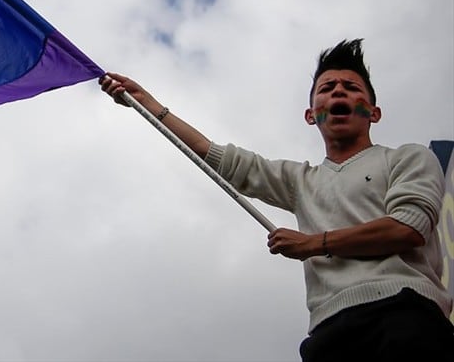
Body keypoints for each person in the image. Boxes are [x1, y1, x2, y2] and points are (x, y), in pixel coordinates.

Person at [101, 39, 453, 361]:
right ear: (311, 114)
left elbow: (409, 228)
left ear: (373, 112)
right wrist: (147, 104)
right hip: (329, 333)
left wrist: (315, 243)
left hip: (406, 316)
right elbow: (217, 157)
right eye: (327, 88)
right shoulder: (300, 181)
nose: (338, 93)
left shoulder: (407, 158)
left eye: (351, 87)